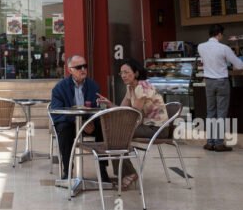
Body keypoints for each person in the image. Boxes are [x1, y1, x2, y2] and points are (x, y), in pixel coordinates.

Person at [96, 58, 168, 188]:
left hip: (157, 128)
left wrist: (120, 126)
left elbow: (134, 114)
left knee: (117, 134)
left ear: (135, 73)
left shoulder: (142, 87)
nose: (123, 75)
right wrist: (109, 103)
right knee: (115, 134)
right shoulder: (130, 88)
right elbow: (122, 110)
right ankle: (125, 174)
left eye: (126, 72)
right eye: (121, 73)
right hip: (145, 126)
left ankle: (128, 173)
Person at [50, 55, 111, 182]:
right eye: (78, 67)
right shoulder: (59, 88)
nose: (83, 69)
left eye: (85, 66)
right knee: (64, 130)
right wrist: (78, 121)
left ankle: (102, 169)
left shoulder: (93, 86)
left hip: (88, 122)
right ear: (70, 70)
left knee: (103, 128)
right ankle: (67, 169)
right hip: (69, 123)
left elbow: (97, 107)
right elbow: (57, 113)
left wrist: (90, 121)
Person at [197, 24, 243, 152]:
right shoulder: (224, 48)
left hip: (209, 82)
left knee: (210, 112)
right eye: (222, 34)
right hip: (222, 82)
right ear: (219, 34)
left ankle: (210, 142)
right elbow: (240, 65)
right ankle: (219, 143)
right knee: (221, 113)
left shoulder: (201, 47)